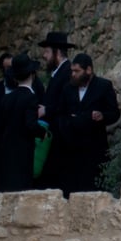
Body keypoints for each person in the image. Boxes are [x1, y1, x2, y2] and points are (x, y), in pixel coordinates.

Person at [58, 53, 121, 195]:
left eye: (77, 71)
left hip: (94, 149)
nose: (73, 74)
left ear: (88, 70)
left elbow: (114, 113)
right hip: (72, 150)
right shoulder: (68, 89)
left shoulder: (103, 86)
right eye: (72, 71)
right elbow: (60, 114)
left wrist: (102, 116)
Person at [0, 53, 44, 193]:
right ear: (32, 75)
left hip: (7, 151)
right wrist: (43, 132)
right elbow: (30, 125)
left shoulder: (6, 99)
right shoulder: (31, 98)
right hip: (23, 151)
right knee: (23, 188)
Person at [36, 30, 75, 190]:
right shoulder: (57, 73)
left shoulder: (67, 73)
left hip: (61, 134)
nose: (44, 56)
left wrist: (47, 110)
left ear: (57, 52)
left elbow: (66, 102)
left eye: (46, 51)